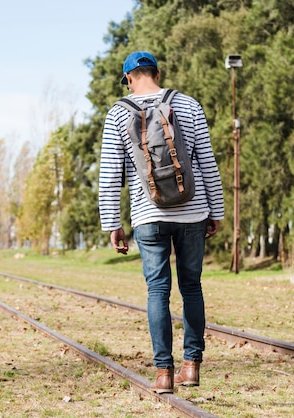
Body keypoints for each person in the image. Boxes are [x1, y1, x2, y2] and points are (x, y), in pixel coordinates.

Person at [98, 51, 225, 394]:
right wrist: (216, 210)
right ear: (156, 72)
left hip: (148, 214)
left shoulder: (118, 113)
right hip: (192, 210)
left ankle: (163, 373)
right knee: (192, 287)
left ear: (128, 78)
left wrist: (112, 222)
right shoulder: (188, 104)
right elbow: (207, 162)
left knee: (158, 290)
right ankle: (192, 365)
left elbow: (110, 174)